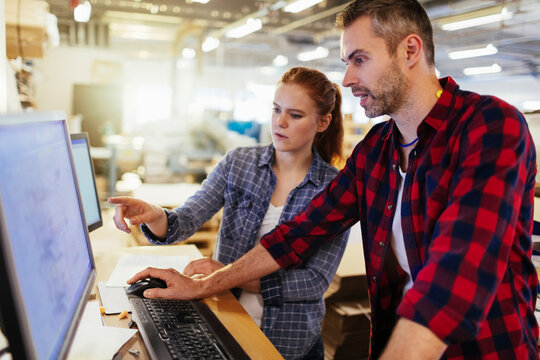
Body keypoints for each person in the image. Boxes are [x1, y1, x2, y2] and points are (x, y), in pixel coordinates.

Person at [124, 0, 540, 358]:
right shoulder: (377, 150)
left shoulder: (489, 125)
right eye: (347, 63)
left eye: (360, 59)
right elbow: (296, 235)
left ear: (410, 49)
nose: (348, 80)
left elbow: (456, 274)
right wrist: (205, 285)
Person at [109, 66, 350, 360]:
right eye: (276, 109)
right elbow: (183, 222)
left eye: (295, 115)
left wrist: (224, 277)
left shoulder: (334, 189)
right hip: (227, 321)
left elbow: (313, 283)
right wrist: (155, 214)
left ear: (323, 122)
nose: (280, 122)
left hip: (291, 342)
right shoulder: (239, 164)